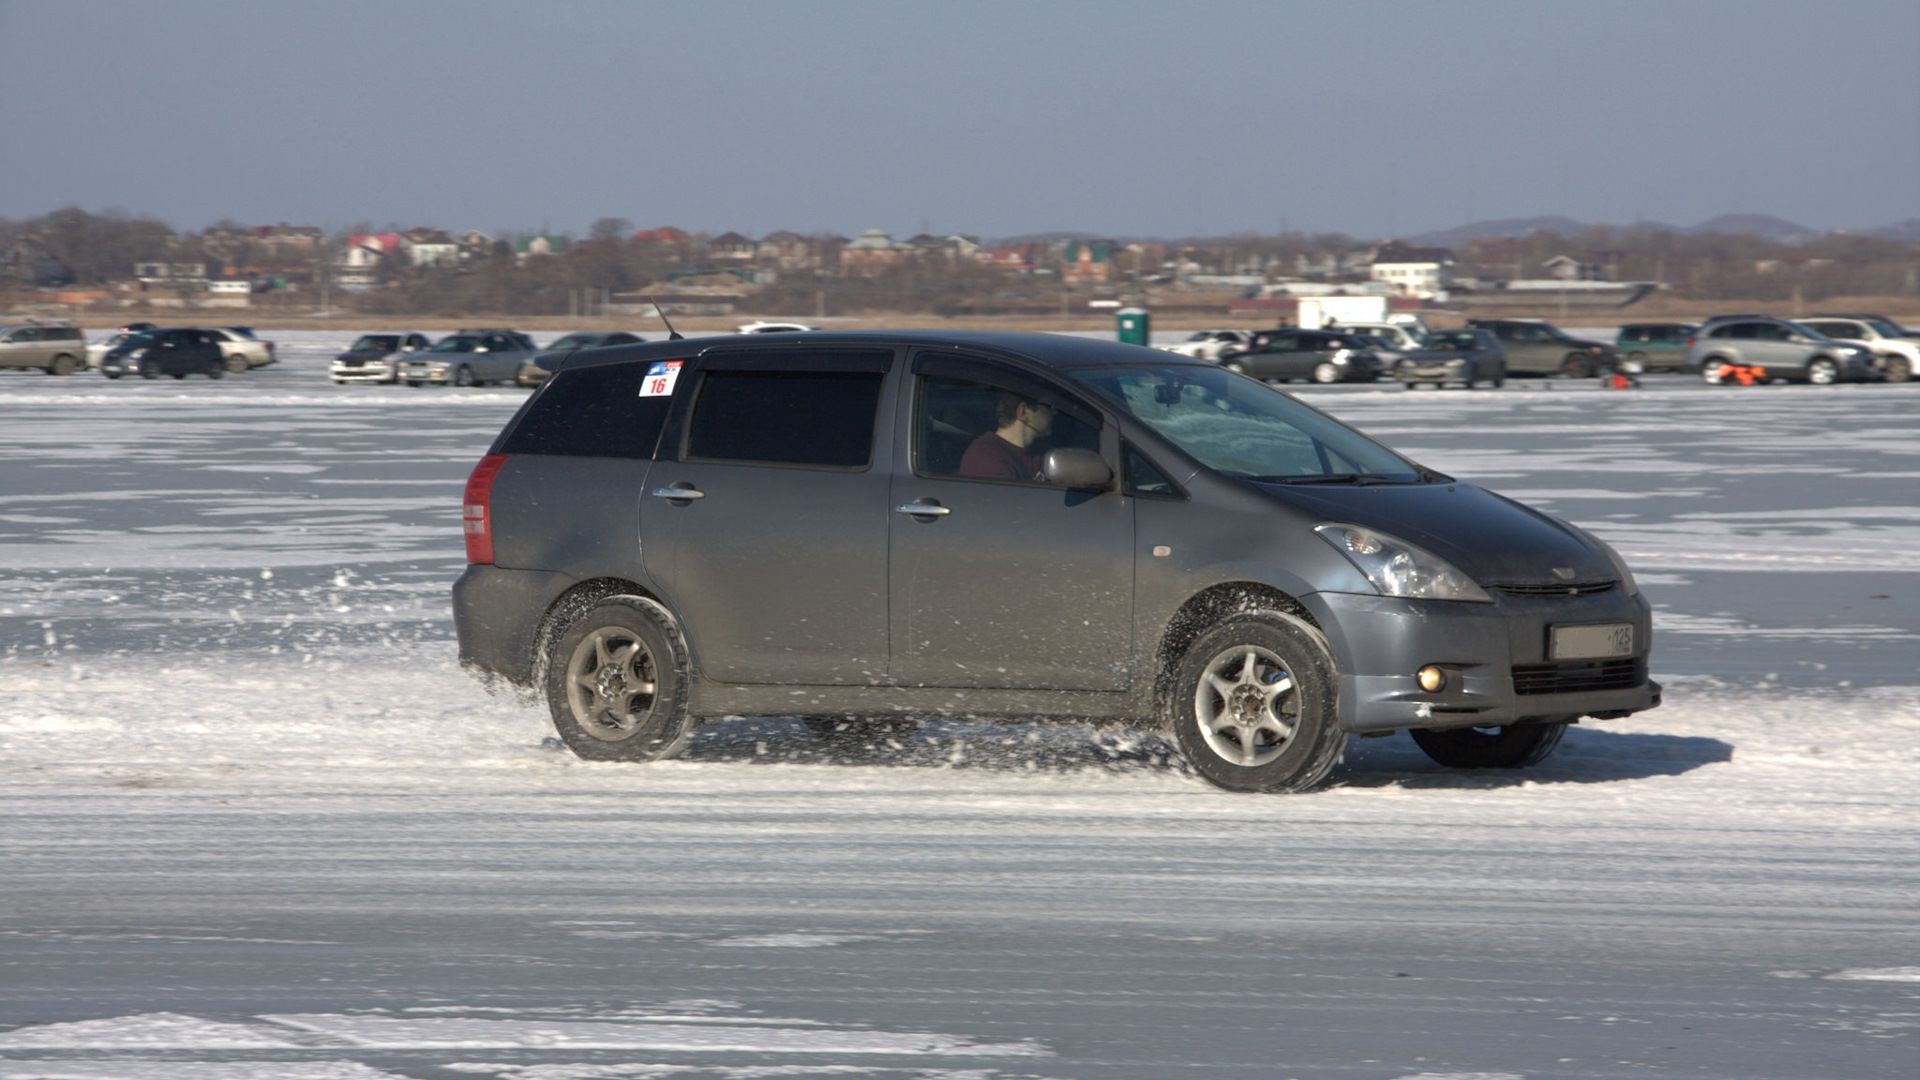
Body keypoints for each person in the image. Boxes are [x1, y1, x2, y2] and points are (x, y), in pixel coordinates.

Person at [958, 390, 1054, 481]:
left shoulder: (1037, 451)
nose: (1055, 412)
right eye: (1049, 406)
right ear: (1023, 412)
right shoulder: (986, 459)